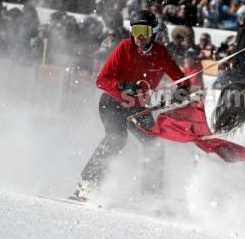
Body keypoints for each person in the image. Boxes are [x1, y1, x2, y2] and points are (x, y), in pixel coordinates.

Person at [73, 10, 190, 201]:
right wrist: (122, 85)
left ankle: (150, 193)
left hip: (138, 107)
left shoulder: (160, 54)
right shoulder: (124, 47)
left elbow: (183, 79)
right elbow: (101, 80)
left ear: (153, 32)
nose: (140, 36)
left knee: (154, 144)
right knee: (117, 137)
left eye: (144, 30)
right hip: (113, 102)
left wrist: (183, 90)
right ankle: (87, 184)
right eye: (136, 31)